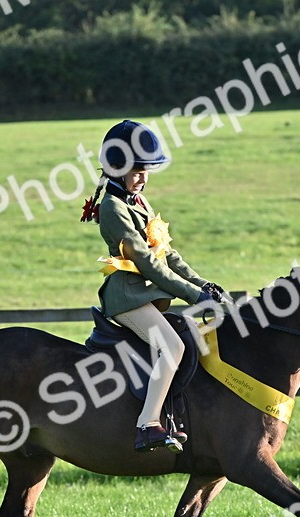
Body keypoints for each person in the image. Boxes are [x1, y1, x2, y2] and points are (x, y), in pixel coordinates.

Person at [81, 120, 230, 453]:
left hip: (144, 293)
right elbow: (149, 265)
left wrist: (204, 284)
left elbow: (168, 255)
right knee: (173, 347)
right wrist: (195, 296)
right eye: (137, 171)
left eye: (147, 171)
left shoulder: (140, 202)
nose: (143, 178)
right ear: (116, 168)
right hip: (126, 297)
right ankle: (146, 425)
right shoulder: (113, 209)